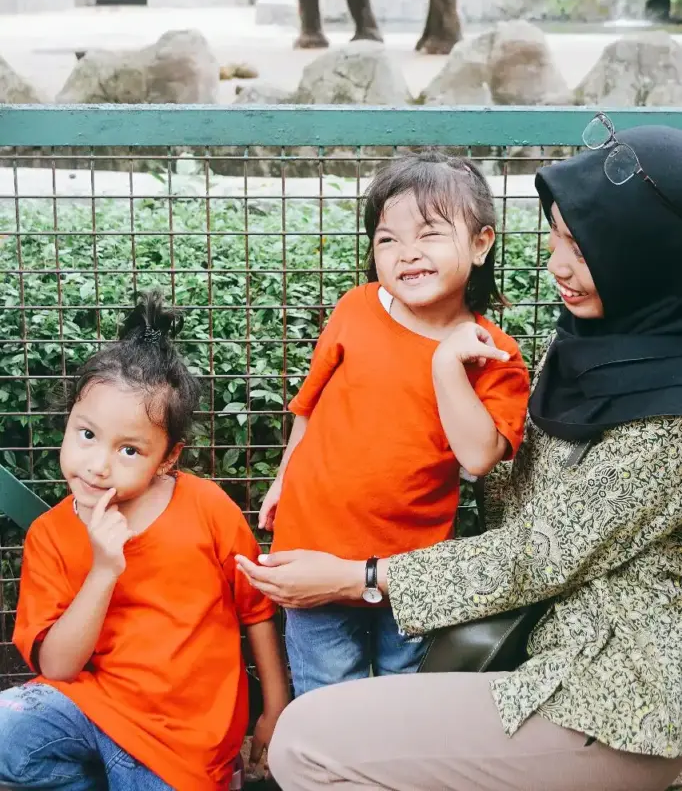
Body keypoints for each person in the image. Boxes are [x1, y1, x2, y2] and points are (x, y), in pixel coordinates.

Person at [237, 119, 682, 791]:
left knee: (307, 743)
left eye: (585, 248)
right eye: (556, 238)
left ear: (649, 254)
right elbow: (507, 486)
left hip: (611, 695)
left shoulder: (666, 419)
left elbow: (537, 549)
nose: (558, 266)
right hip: (525, 640)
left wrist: (361, 575)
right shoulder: (592, 344)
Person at [258, 151, 530, 694]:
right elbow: (309, 406)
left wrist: (447, 364)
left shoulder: (494, 352)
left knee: (403, 698)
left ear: (481, 243)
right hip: (311, 549)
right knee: (327, 697)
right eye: (387, 239)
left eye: (430, 234)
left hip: (410, 570)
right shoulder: (356, 308)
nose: (408, 253)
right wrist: (283, 479)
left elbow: (479, 457)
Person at [0, 291, 290, 791]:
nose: (98, 465)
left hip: (184, 741)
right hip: (92, 706)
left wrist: (275, 707)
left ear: (168, 457)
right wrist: (103, 571)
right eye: (86, 434)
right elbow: (58, 667)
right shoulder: (50, 535)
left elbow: (257, 611)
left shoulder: (207, 507)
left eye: (129, 450)